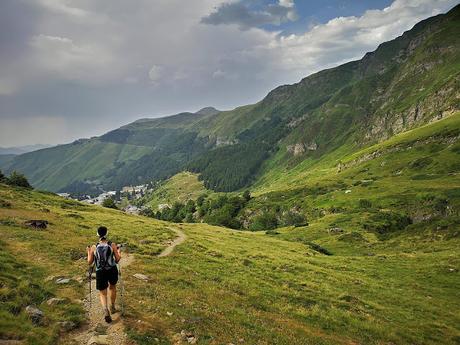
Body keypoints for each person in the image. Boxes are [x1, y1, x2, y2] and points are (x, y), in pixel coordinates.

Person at [87, 226, 121, 323]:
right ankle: (113, 306)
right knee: (112, 287)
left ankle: (106, 310)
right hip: (112, 269)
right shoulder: (112, 245)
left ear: (97, 234)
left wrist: (89, 252)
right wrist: (119, 252)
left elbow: (90, 262)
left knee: (102, 292)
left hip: (100, 271)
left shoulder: (94, 247)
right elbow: (117, 259)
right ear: (107, 233)